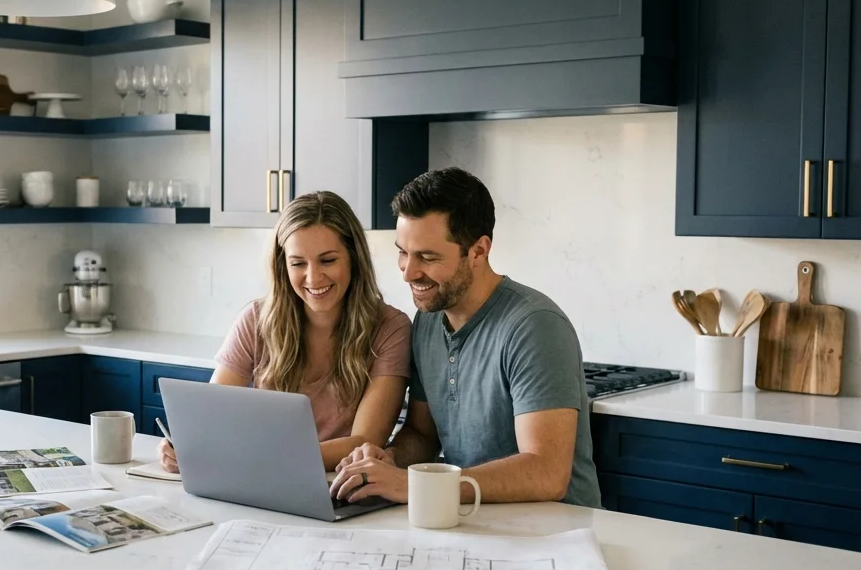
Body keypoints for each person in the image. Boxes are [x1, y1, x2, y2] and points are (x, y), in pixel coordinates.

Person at [329, 167, 601, 508]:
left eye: (427, 257)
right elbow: (423, 435)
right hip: (472, 519)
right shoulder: (428, 320)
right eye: (403, 252)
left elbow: (546, 472)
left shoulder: (534, 326)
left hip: (555, 535)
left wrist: (417, 487)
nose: (409, 273)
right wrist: (390, 461)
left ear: (478, 251)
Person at [159, 191, 411, 473]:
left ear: (354, 258)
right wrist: (185, 444)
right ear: (283, 265)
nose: (313, 277)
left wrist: (260, 458)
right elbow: (212, 419)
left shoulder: (391, 328)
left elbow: (365, 442)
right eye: (298, 263)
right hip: (261, 478)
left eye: (328, 260)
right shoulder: (255, 320)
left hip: (339, 488)